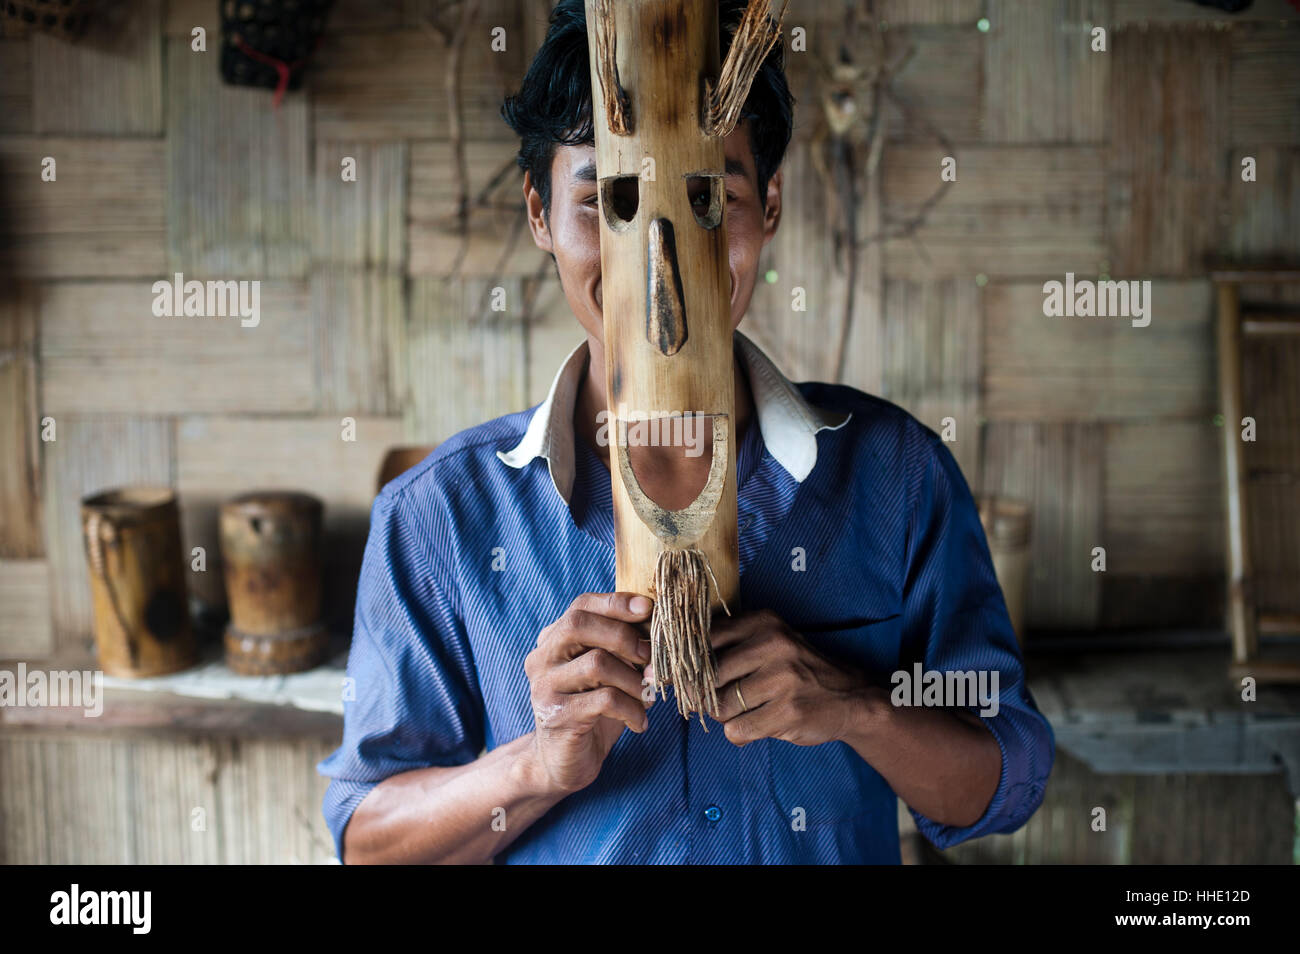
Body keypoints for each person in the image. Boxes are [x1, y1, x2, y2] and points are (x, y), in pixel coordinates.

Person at [318, 0, 1054, 864]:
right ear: (540, 215)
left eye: (710, 196)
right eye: (611, 201)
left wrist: (854, 707)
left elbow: (1003, 783)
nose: (658, 261)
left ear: (769, 204)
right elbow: (367, 841)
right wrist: (537, 763)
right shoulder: (438, 518)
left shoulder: (894, 476)